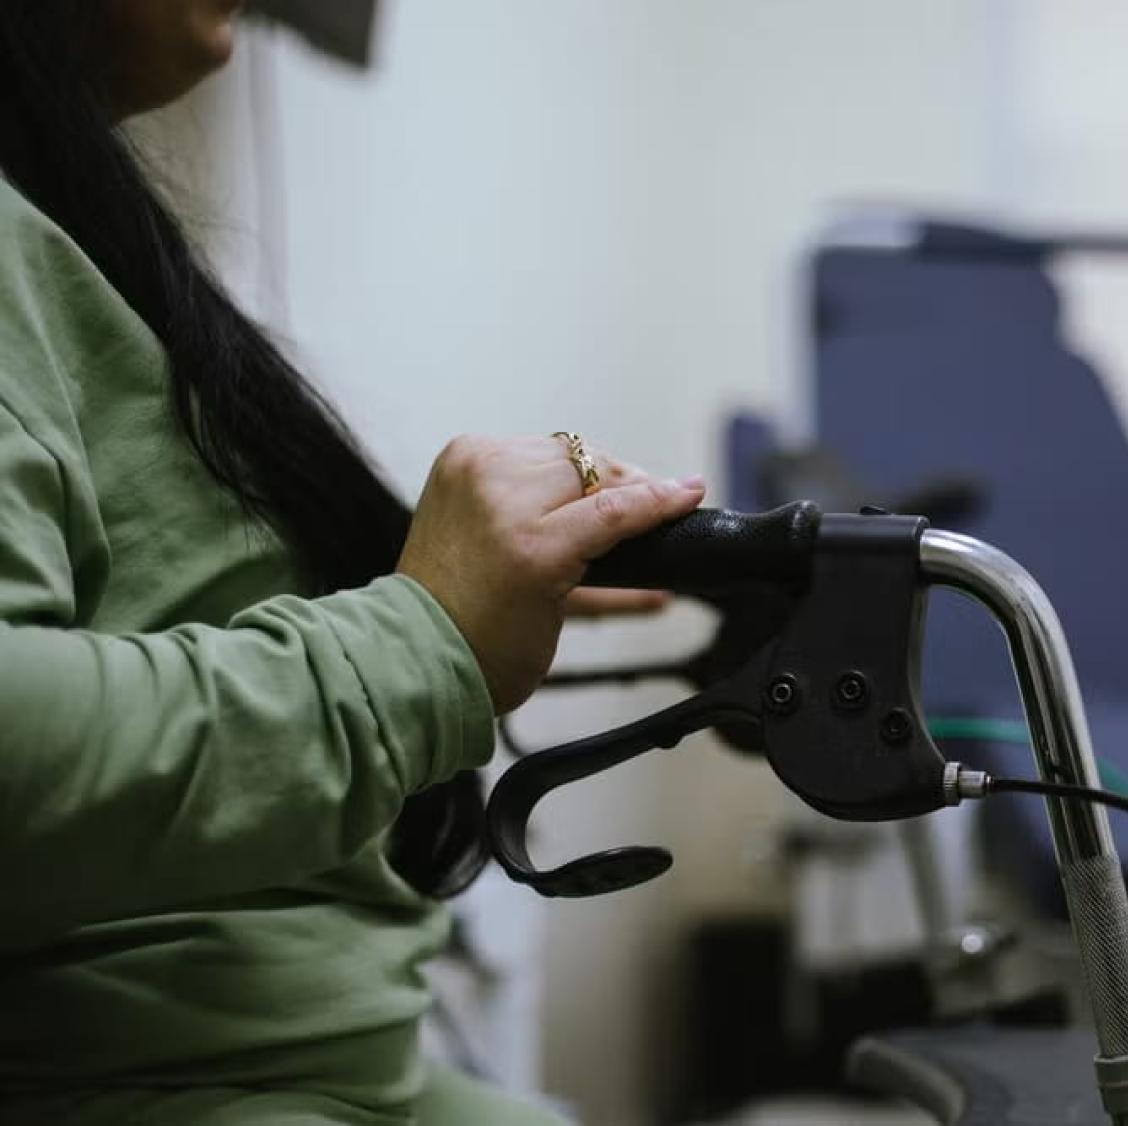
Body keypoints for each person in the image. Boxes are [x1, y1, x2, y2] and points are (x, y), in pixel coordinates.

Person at [0, 2, 705, 1122]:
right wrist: (420, 637)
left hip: (346, 1078)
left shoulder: (60, 231)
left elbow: (139, 591)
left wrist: (464, 578)